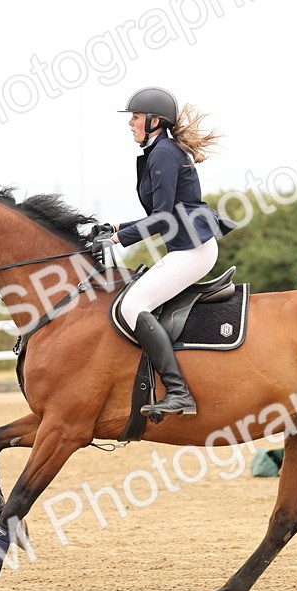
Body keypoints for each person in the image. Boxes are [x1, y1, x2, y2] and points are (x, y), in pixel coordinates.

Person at [95, 86, 229, 419]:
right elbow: (161, 212)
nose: (131, 124)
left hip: (193, 250)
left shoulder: (164, 153)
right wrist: (116, 228)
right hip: (188, 247)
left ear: (155, 121)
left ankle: (179, 391)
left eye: (136, 117)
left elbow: (163, 217)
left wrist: (119, 240)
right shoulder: (161, 150)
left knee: (131, 305)